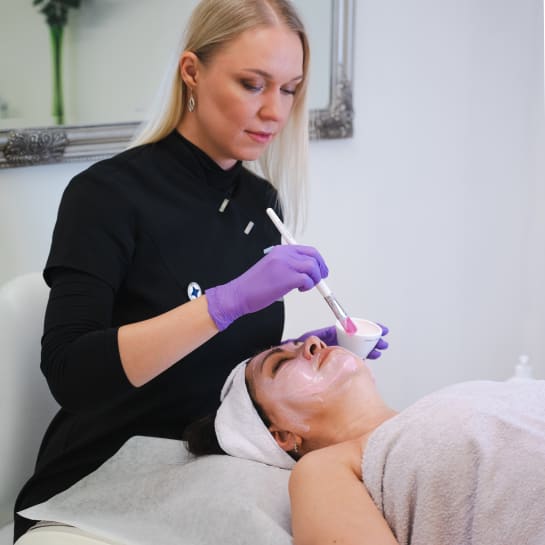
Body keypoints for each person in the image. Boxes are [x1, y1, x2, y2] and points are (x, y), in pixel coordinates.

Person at [13, 0, 389, 542]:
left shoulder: (260, 204)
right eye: (252, 84)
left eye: (289, 90)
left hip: (211, 466)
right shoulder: (105, 196)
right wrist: (223, 303)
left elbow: (219, 368)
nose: (275, 112)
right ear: (192, 71)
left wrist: (296, 352)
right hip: (104, 471)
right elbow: (71, 374)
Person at [186, 336, 545, 545]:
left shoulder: (430, 410)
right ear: (281, 434)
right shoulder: (324, 470)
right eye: (280, 364)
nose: (312, 343)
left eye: (300, 343)